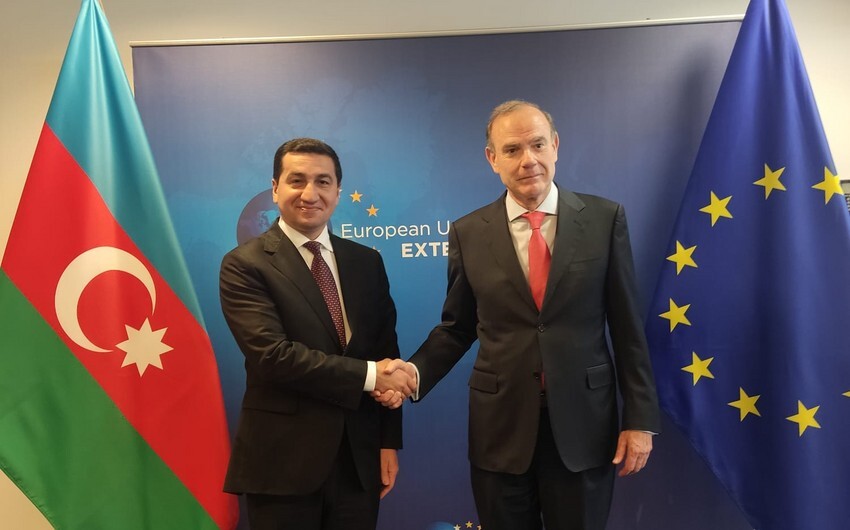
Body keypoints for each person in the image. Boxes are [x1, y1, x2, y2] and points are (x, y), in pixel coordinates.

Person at [378, 100, 661, 530]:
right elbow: (458, 328)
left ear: (555, 146)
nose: (528, 159)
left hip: (584, 427)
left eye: (537, 144)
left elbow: (627, 329)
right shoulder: (468, 232)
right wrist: (412, 374)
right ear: (492, 159)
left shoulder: (605, 220)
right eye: (512, 149)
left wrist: (639, 419)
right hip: (500, 431)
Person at [219, 137, 416, 530]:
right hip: (283, 465)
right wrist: (374, 376)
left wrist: (387, 441)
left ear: (338, 192)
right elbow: (273, 357)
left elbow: (386, 350)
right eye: (297, 180)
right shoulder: (245, 264)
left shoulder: (366, 262)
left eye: (323, 182)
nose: (310, 193)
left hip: (358, 462)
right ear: (275, 188)